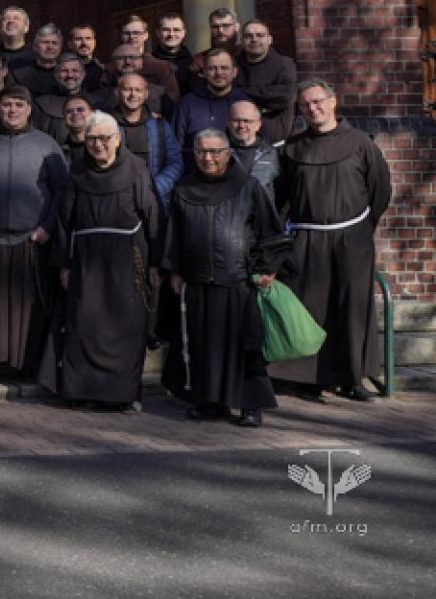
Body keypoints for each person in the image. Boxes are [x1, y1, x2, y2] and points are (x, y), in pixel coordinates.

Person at [273, 79, 393, 402]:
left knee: (352, 307)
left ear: (333, 101)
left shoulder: (360, 143)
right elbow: (281, 196)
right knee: (309, 308)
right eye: (306, 105)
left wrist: (360, 229)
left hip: (351, 238)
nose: (313, 109)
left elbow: (380, 190)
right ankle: (307, 378)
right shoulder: (293, 148)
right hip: (307, 238)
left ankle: (352, 378)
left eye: (318, 101)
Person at [162, 131, 289, 427]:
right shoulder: (183, 189)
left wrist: (266, 268)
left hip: (238, 281)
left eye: (214, 152)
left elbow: (269, 232)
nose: (207, 158)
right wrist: (175, 269)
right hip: (197, 281)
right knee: (204, 346)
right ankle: (210, 402)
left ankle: (250, 406)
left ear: (228, 153)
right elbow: (174, 234)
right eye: (200, 152)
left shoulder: (248, 187)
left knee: (245, 346)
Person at [39, 112, 162, 412]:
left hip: (127, 259)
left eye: (105, 138)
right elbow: (65, 220)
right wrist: (64, 264)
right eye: (92, 139)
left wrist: (157, 262)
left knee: (125, 327)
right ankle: (83, 391)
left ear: (117, 139)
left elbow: (153, 215)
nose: (98, 145)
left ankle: (122, 395)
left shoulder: (136, 169)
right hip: (86, 261)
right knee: (85, 324)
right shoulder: (78, 173)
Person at [0, 87, 67, 374]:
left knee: (28, 308)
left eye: (18, 104)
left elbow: (62, 192)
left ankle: (26, 367)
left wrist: (47, 227)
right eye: (7, 105)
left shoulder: (47, 145)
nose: (12, 110)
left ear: (29, 109)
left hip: (31, 240)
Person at [110, 73, 181, 202]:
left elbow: (175, 162)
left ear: (146, 94)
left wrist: (156, 188)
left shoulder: (160, 125)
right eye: (127, 89)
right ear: (117, 92)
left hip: (155, 198)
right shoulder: (106, 126)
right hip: (118, 199)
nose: (133, 94)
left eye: (138, 90)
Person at [236, 20, 297, 142]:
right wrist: (266, 99)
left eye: (260, 35)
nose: (254, 39)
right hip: (238, 139)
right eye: (248, 36)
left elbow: (285, 98)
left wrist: (241, 92)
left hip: (275, 142)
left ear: (270, 39)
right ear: (242, 41)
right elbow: (227, 98)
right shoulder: (232, 65)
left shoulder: (284, 64)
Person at [226, 100, 280, 195]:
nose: (241, 125)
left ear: (258, 124)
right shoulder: (217, 152)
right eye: (236, 120)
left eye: (247, 121)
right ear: (228, 122)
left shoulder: (271, 153)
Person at [0, 6, 34, 70]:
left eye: (16, 18)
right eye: (6, 19)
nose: (11, 21)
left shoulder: (37, 56)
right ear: (0, 29)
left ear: (26, 28)